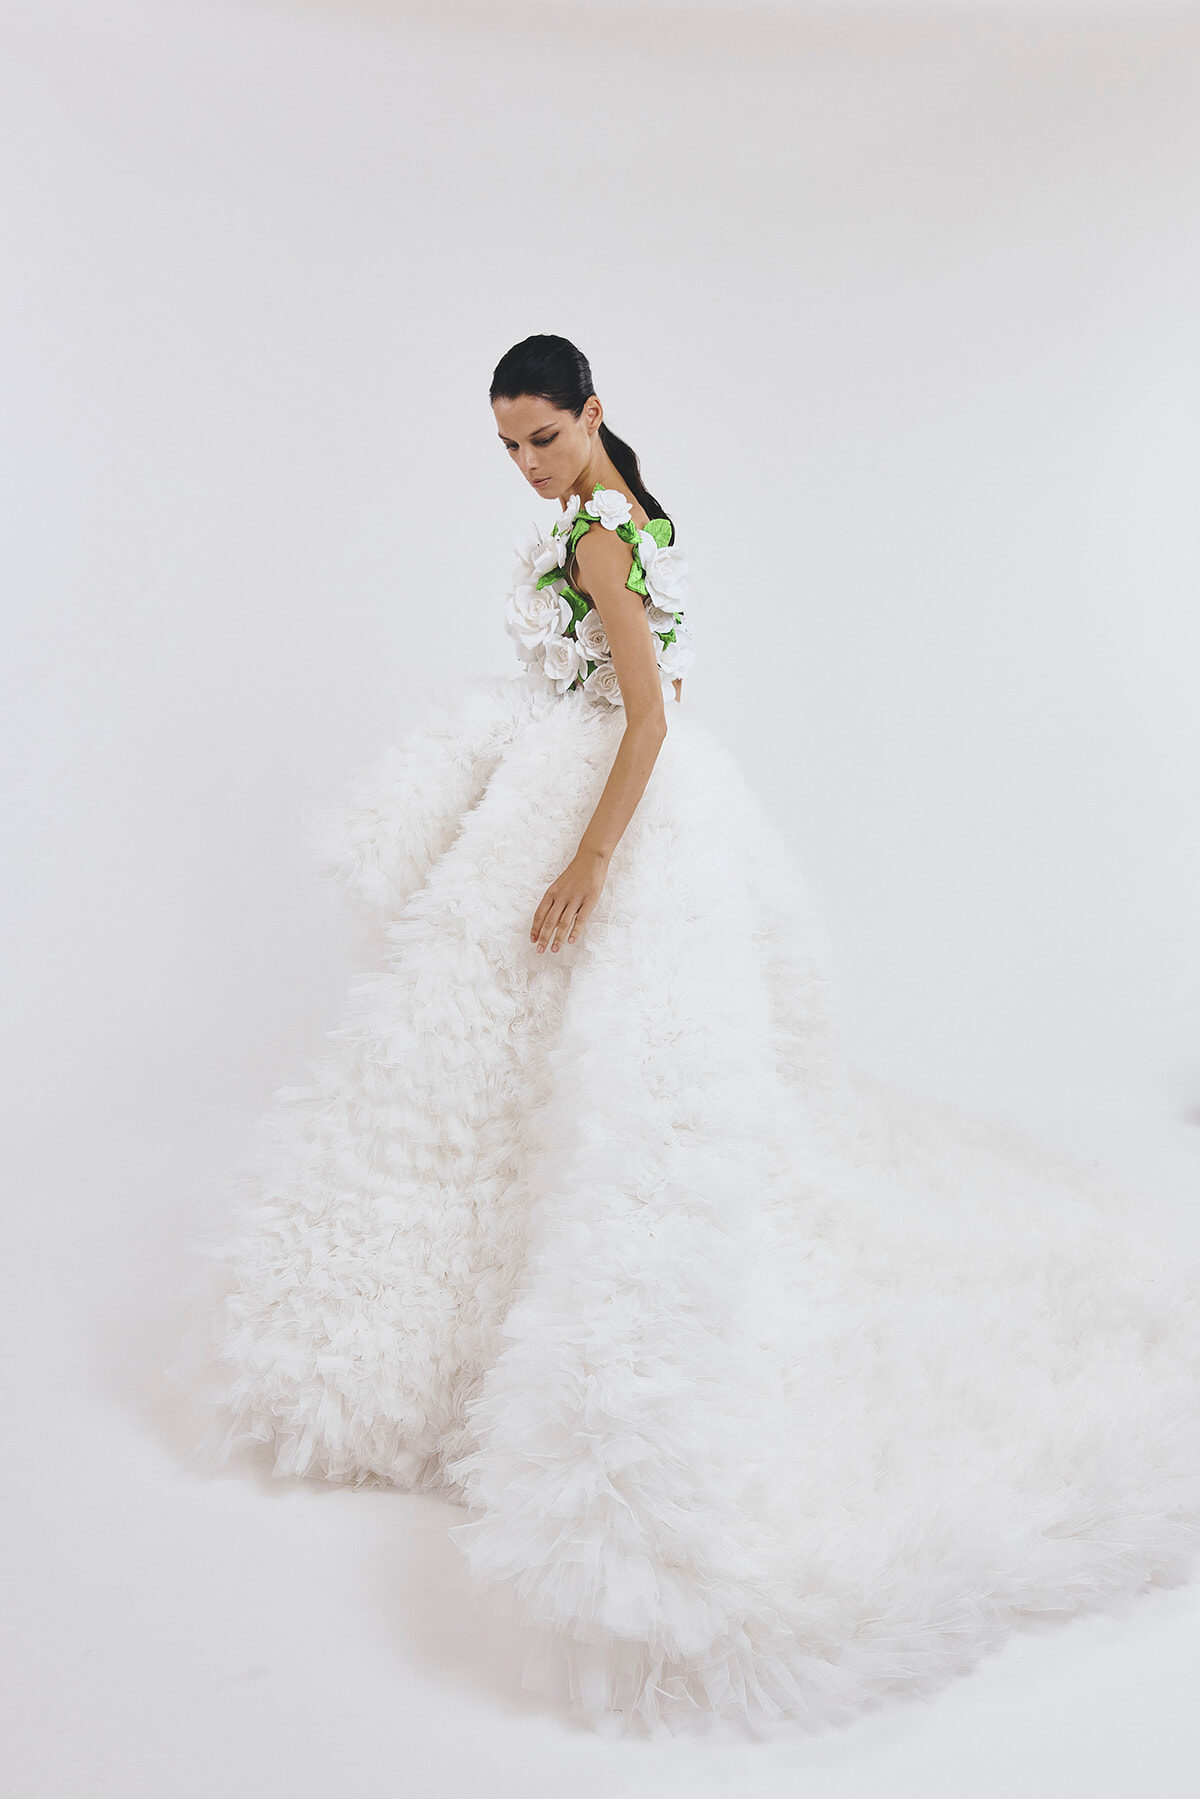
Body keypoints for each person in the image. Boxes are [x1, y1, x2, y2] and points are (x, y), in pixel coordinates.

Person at [172, 334, 1200, 1731]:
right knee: (521, 1068)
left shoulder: (600, 532)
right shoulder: (629, 508)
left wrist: (589, 859)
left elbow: (647, 719)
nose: (526, 466)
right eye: (507, 447)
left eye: (542, 436)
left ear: (591, 413)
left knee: (562, 1066)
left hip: (607, 796)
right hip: (610, 781)